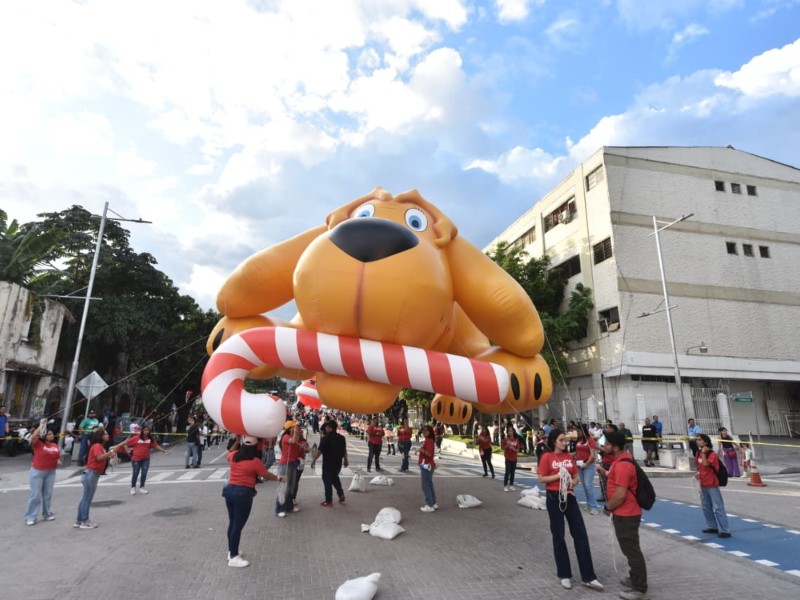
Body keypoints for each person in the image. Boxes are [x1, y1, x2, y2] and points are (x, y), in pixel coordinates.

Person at [537, 428, 603, 591]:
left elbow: (575, 476)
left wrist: (572, 482)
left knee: (580, 534)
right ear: (553, 441)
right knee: (558, 535)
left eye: (565, 440)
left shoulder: (568, 457)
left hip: (570, 497)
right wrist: (559, 475)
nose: (565, 443)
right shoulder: (547, 457)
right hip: (554, 498)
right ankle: (564, 574)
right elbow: (541, 478)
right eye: (561, 440)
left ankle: (589, 576)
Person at [600, 431, 648, 600]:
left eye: (606, 444)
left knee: (632, 550)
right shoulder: (619, 461)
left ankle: (639, 588)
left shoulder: (622, 465)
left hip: (626, 513)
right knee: (628, 549)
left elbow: (620, 494)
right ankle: (635, 577)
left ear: (616, 447)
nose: (604, 446)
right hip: (623, 512)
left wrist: (607, 507)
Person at [224, 435, 284, 567]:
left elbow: (229, 452)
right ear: (255, 447)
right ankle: (234, 557)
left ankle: (231, 550)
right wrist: (279, 478)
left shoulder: (234, 456)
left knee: (233, 523)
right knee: (237, 526)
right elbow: (266, 474)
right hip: (243, 494)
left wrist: (238, 439)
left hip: (229, 491)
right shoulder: (255, 461)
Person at [75, 429, 125, 529]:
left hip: (91, 474)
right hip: (91, 474)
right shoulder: (97, 446)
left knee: (85, 498)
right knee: (87, 499)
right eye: (105, 434)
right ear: (100, 436)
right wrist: (109, 453)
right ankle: (85, 521)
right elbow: (98, 458)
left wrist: (108, 454)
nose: (107, 435)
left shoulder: (99, 446)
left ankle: (79, 520)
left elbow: (101, 457)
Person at [25, 420, 62, 525]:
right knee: (35, 495)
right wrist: (42, 426)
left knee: (47, 494)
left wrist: (58, 461)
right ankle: (31, 516)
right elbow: (33, 437)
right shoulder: (38, 444)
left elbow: (56, 456)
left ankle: (47, 513)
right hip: (38, 472)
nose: (52, 435)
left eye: (52, 433)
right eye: (49, 434)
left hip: (50, 472)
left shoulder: (54, 445)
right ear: (44, 435)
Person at [695, 433, 731, 538]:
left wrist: (704, 454)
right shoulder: (698, 453)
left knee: (718, 507)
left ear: (705, 442)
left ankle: (725, 530)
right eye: (697, 439)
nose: (697, 441)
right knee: (706, 507)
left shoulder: (711, 454)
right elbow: (700, 466)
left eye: (700, 440)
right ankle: (712, 526)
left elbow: (706, 464)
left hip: (712, 484)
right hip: (703, 483)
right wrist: (698, 473)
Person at [311, 420, 348, 506]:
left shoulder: (325, 438)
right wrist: (346, 460)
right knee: (335, 478)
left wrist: (314, 460)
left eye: (327, 427)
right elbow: (344, 450)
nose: (325, 428)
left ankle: (328, 501)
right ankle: (341, 494)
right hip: (338, 463)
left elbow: (319, 451)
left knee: (327, 480)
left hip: (328, 463)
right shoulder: (341, 438)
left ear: (331, 428)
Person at [124, 425, 168, 495]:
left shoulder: (150, 439)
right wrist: (128, 450)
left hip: (146, 459)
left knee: (144, 473)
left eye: (148, 430)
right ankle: (133, 488)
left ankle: (142, 487)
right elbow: (125, 443)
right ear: (142, 431)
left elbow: (156, 446)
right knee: (135, 473)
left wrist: (164, 451)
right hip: (136, 459)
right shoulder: (136, 438)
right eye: (145, 430)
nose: (146, 432)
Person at [275, 421, 304, 517]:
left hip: (292, 464)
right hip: (285, 465)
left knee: (291, 487)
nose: (296, 428)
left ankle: (288, 506)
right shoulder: (286, 437)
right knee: (283, 487)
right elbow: (293, 441)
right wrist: (296, 431)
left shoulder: (293, 437)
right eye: (293, 427)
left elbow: (296, 446)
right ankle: (279, 509)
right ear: (289, 429)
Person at [574, 424, 601, 514]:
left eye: (578, 431)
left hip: (588, 465)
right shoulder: (579, 440)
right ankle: (589, 504)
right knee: (585, 486)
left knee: (588, 485)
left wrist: (587, 463)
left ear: (583, 431)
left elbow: (592, 454)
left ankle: (594, 507)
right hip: (579, 464)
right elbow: (576, 452)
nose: (577, 433)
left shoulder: (590, 440)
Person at [417, 425, 438, 512]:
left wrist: (420, 450)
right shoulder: (429, 440)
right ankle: (433, 502)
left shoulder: (429, 441)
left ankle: (430, 504)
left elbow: (429, 454)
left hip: (427, 465)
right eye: (423, 430)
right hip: (428, 465)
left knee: (425, 485)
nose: (424, 432)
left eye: (426, 430)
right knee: (429, 484)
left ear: (430, 432)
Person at [501, 424, 520, 491]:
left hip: (514, 458)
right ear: (507, 432)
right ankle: (505, 486)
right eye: (509, 431)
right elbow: (502, 448)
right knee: (507, 472)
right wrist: (507, 446)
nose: (510, 432)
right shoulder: (506, 439)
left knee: (512, 472)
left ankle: (511, 485)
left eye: (511, 431)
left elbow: (518, 449)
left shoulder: (516, 440)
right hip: (508, 458)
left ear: (513, 431)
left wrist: (512, 448)